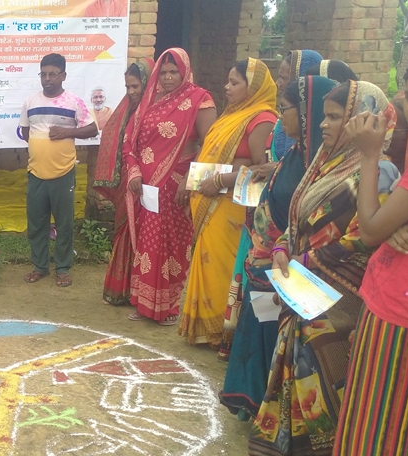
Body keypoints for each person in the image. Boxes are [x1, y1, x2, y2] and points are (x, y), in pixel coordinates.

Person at [248, 81, 399, 456]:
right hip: (302, 288)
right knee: (299, 377)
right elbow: (297, 218)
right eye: (326, 116)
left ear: (362, 120)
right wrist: (282, 249)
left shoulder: (379, 172)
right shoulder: (324, 163)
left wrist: (305, 260)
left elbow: (363, 239)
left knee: (325, 383)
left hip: (338, 302)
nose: (324, 125)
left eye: (335, 117)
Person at [332, 48, 408, 456]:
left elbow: (368, 230)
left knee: (374, 430)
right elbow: (390, 221)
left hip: (403, 309)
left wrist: (369, 155)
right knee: (401, 428)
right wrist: (394, 223)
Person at [218, 75, 338, 420]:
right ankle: (254, 403)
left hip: (289, 269)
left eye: (285, 109)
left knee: (277, 340)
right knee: (260, 332)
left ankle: (273, 413)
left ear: (306, 114)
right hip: (267, 262)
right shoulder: (297, 155)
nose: (279, 117)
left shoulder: (321, 165)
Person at [179, 58, 277, 346]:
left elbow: (263, 169)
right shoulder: (231, 115)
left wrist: (222, 180)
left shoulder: (262, 119)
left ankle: (222, 331)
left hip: (231, 204)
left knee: (223, 265)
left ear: (253, 87)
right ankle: (205, 329)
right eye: (228, 81)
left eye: (235, 82)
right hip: (211, 198)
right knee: (207, 261)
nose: (227, 87)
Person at [121, 49, 217, 324]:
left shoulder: (200, 99)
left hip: (178, 186)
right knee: (149, 243)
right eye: (163, 72)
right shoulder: (151, 100)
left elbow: (210, 146)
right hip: (147, 188)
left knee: (172, 246)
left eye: (174, 71)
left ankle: (168, 307)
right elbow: (130, 139)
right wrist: (134, 171)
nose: (168, 77)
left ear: (185, 71)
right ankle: (145, 304)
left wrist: (191, 180)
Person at [20, 53, 98, 288]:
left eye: (53, 74)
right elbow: (26, 132)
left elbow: (92, 129)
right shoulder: (30, 102)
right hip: (36, 173)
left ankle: (63, 269)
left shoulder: (73, 102)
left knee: (64, 224)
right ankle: (40, 266)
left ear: (63, 75)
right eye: (43, 74)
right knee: (36, 223)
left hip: (63, 174)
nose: (47, 79)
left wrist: (67, 132)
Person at [93, 59, 154, 305]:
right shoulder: (127, 109)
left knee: (146, 235)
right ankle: (121, 289)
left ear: (147, 84)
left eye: (135, 86)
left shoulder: (157, 112)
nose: (130, 92)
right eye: (127, 87)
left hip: (151, 182)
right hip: (128, 182)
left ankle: (142, 291)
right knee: (124, 231)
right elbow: (114, 136)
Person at [270, 49, 323, 161]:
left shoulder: (318, 128)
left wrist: (278, 167)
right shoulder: (282, 120)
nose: (277, 83)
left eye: (283, 78)